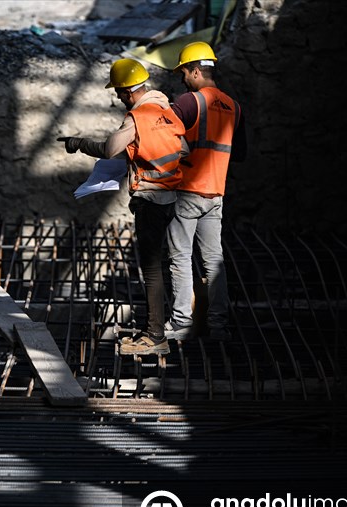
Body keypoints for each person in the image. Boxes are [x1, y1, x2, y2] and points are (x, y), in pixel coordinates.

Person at [58, 59, 188, 356]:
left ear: (129, 91)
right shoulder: (166, 111)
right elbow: (183, 150)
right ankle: (171, 324)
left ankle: (155, 335)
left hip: (151, 201)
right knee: (172, 263)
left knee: (152, 270)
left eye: (118, 91)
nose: (117, 97)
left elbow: (108, 149)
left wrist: (78, 143)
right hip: (172, 198)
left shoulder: (137, 115)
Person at [165, 41, 247, 342]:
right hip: (215, 195)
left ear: (196, 70)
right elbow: (239, 153)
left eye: (185, 72)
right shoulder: (234, 107)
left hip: (186, 192)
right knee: (214, 260)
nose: (183, 79)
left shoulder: (189, 102)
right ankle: (218, 326)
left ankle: (182, 324)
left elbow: (162, 137)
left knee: (180, 257)